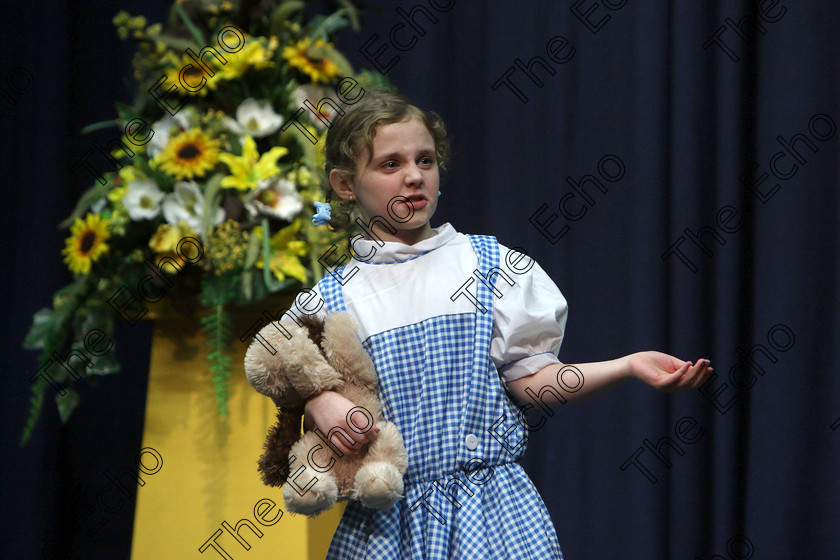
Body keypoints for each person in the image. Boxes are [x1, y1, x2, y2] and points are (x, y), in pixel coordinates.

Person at [278, 89, 713, 559]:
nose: (413, 176)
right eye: (390, 164)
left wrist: (626, 366)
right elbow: (281, 366)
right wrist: (318, 398)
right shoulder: (333, 297)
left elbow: (532, 382)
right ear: (345, 185)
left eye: (426, 160)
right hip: (388, 525)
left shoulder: (487, 266)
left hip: (491, 515)